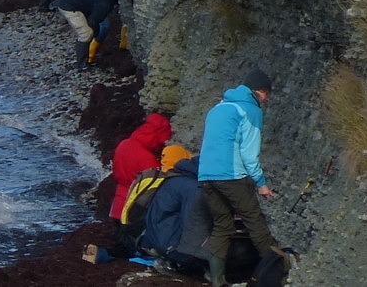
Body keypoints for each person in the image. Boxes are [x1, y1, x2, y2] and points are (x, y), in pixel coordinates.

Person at [197, 68, 282, 287]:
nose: (268, 99)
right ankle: (276, 274)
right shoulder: (250, 110)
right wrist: (261, 184)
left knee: (222, 225)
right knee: (255, 220)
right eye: (267, 93)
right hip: (231, 175)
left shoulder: (218, 108)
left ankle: (217, 280)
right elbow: (249, 154)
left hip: (205, 175)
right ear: (258, 91)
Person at [86, 142, 192, 265]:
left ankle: (104, 254)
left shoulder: (149, 174)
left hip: (127, 223)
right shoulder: (175, 182)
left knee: (123, 249)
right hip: (148, 236)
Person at [52, 0, 118, 64]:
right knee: (86, 33)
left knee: (105, 25)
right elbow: (92, 21)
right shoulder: (104, 3)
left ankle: (92, 50)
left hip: (82, 4)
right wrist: (95, 32)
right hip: (68, 5)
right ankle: (82, 63)